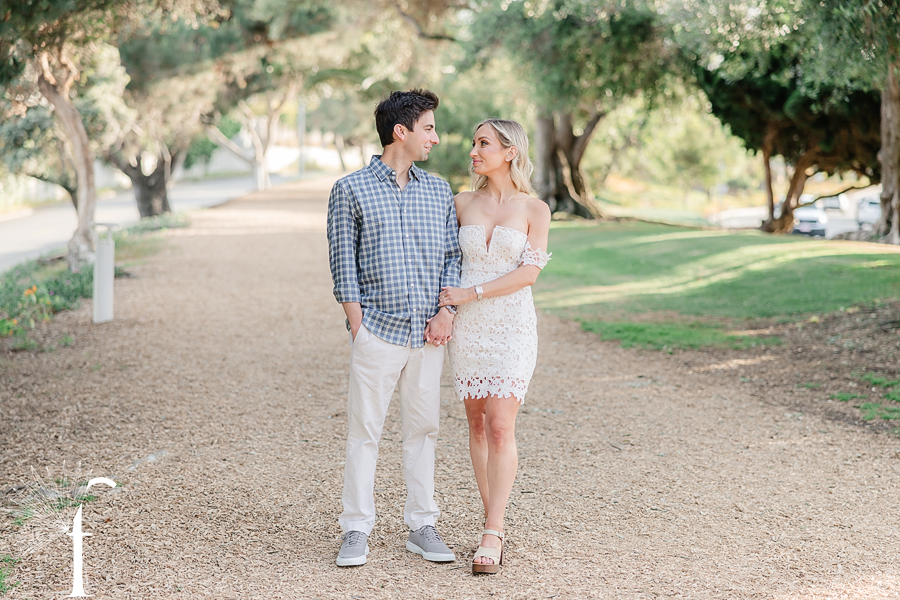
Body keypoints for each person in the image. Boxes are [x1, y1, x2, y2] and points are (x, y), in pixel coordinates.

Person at [327, 89, 462, 567]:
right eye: (428, 127)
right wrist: (358, 326)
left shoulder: (439, 190)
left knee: (422, 430)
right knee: (365, 432)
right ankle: (356, 528)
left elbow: (452, 257)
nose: (436, 137)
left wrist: (447, 313)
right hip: (377, 332)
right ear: (400, 131)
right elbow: (343, 264)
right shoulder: (350, 190)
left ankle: (422, 525)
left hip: (428, 335)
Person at [438, 118, 551, 575]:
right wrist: (448, 308)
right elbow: (445, 261)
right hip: (467, 330)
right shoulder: (461, 202)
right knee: (477, 424)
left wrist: (472, 294)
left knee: (501, 424)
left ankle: (492, 529)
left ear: (509, 151)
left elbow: (529, 273)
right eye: (473, 143)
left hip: (511, 326)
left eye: (483, 143)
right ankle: (493, 520)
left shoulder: (535, 209)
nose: (473, 151)